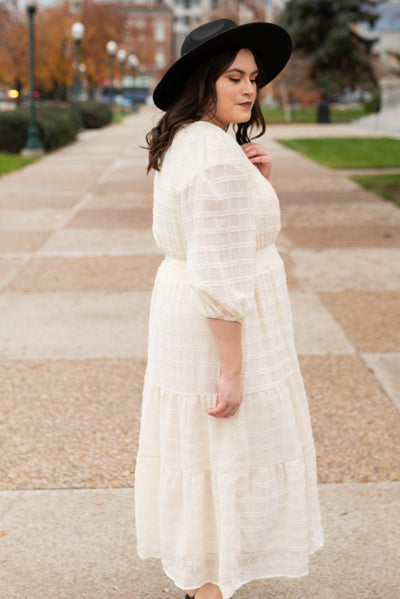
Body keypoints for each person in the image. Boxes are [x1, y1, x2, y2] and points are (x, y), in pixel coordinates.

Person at [134, 19, 324, 599]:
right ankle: (209, 589)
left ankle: (203, 582)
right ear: (203, 81)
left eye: (254, 79)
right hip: (215, 324)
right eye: (234, 76)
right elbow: (218, 272)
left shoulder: (201, 142)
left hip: (188, 314)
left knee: (208, 454)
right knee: (226, 450)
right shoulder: (214, 157)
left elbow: (214, 234)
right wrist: (232, 368)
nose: (248, 89)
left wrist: (253, 181)